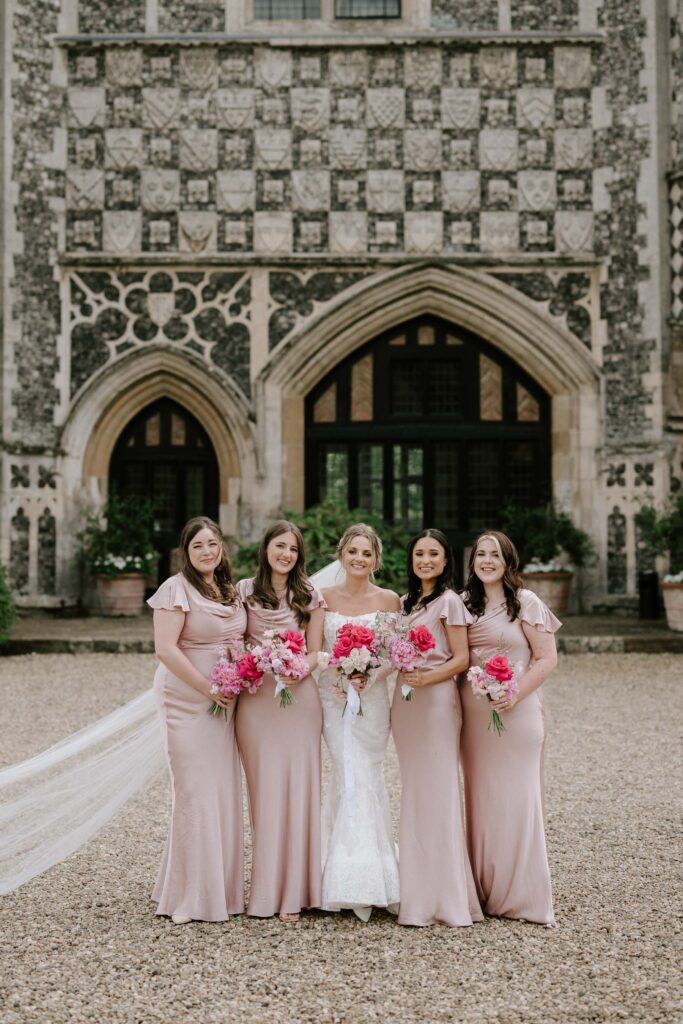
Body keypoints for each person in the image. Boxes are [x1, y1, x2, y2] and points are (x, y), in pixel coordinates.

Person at [459, 531, 561, 927]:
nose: (486, 561)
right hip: (474, 721)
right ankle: (486, 889)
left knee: (518, 801)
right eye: (480, 554)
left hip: (516, 716)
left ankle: (521, 895)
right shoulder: (464, 604)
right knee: (482, 800)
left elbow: (546, 658)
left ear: (507, 561)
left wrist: (514, 693)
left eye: (494, 555)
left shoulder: (527, 603)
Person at [148, 516, 246, 924]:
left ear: (221, 548)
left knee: (222, 791)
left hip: (228, 701)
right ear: (185, 553)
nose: (207, 551)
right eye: (197, 546)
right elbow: (166, 650)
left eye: (212, 544)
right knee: (195, 791)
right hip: (190, 699)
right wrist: (208, 688)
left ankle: (218, 891)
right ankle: (189, 896)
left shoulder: (230, 590)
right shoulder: (175, 589)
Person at [391, 528, 483, 928]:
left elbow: (461, 659)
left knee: (439, 791)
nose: (425, 560)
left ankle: (446, 897)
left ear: (446, 561)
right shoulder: (405, 603)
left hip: (435, 704)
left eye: (433, 554)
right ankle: (415, 889)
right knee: (414, 791)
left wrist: (428, 678)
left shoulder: (450, 602)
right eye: (419, 553)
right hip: (406, 706)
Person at [235, 521, 325, 922]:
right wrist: (253, 661)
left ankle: (296, 892)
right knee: (264, 794)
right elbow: (234, 642)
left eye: (292, 548)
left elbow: (316, 651)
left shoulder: (310, 595)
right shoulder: (243, 592)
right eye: (279, 546)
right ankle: (265, 889)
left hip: (298, 703)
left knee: (299, 793)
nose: (285, 554)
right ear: (266, 549)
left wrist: (297, 670)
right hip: (257, 705)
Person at [314, 524, 401, 921]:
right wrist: (343, 668)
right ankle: (342, 876)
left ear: (376, 559)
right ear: (341, 554)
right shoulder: (323, 598)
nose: (359, 559)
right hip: (334, 699)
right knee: (347, 773)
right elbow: (315, 650)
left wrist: (368, 674)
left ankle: (376, 875)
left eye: (366, 553)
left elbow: (394, 653)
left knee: (368, 772)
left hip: (373, 699)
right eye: (352, 551)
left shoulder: (389, 600)